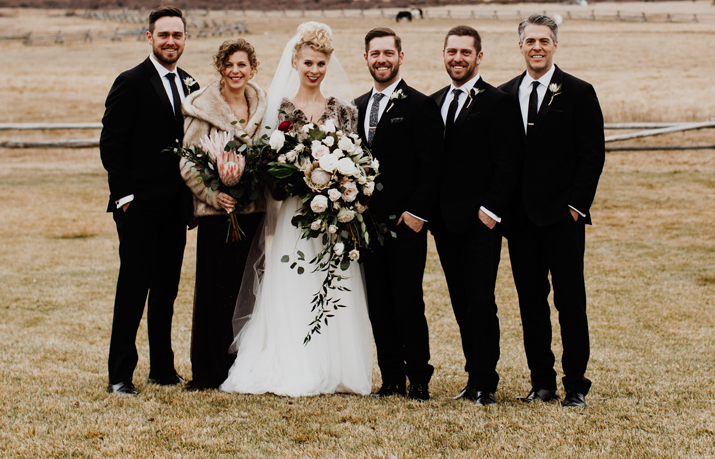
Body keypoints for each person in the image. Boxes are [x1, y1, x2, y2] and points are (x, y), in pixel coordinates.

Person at [221, 22, 374, 396]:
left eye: (321, 63)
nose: (314, 70)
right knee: (293, 280)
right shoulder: (281, 111)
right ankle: (293, 362)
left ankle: (337, 367)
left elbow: (358, 159)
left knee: (333, 281)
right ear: (295, 61)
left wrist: (342, 187)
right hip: (294, 213)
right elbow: (269, 170)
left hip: (333, 215)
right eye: (308, 62)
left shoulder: (343, 111)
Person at [498, 14, 605, 408]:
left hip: (563, 218)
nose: (537, 47)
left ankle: (575, 384)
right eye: (530, 41)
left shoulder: (578, 92)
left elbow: (592, 155)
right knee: (531, 304)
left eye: (544, 41)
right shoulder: (505, 95)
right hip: (521, 222)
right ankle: (541, 382)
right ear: (521, 46)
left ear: (555, 46)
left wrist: (576, 206)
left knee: (570, 302)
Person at [99, 6, 199, 395]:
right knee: (133, 290)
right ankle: (120, 375)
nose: (171, 41)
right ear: (149, 37)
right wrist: (124, 197)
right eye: (164, 35)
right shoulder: (131, 81)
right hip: (138, 206)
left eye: (177, 35)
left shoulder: (191, 83)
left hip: (176, 209)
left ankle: (162, 368)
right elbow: (112, 143)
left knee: (167, 290)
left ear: (185, 39)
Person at [429, 25, 522, 406]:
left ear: (478, 57)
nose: (457, 58)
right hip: (445, 224)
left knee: (481, 302)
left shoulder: (497, 101)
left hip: (481, 223)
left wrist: (490, 211)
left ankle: (486, 381)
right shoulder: (434, 102)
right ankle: (472, 375)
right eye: (452, 51)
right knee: (460, 301)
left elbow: (510, 161)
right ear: (444, 55)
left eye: (465, 52)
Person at [354, 27, 443, 401]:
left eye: (388, 53)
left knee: (408, 302)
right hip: (366, 226)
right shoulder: (355, 106)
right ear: (366, 59)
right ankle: (390, 378)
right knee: (379, 304)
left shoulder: (420, 105)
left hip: (406, 224)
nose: (382, 60)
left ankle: (418, 379)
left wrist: (418, 213)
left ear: (400, 57)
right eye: (375, 54)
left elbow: (433, 166)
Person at [179, 38, 268, 390]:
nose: (235, 71)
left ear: (252, 69)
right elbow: (188, 160)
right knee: (214, 292)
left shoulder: (262, 107)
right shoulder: (204, 108)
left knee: (248, 291)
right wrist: (212, 194)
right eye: (229, 64)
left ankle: (240, 367)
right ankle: (208, 371)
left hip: (254, 211)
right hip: (219, 216)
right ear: (220, 67)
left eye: (242, 65)